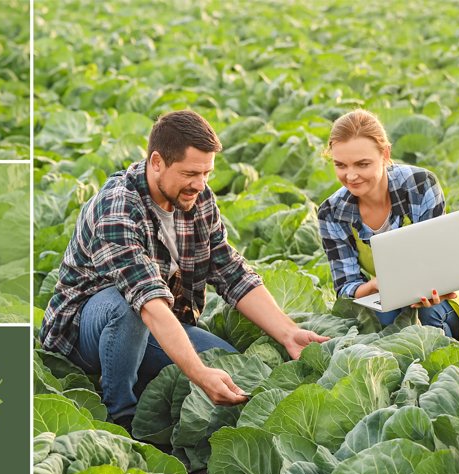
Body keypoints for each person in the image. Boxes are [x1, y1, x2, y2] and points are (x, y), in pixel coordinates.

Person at [40, 110, 330, 429]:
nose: (200, 184)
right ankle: (120, 414)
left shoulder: (196, 198)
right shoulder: (117, 209)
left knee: (233, 370)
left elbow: (229, 269)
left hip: (156, 323)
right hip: (86, 332)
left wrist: (288, 332)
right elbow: (148, 301)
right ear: (157, 163)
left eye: (206, 173)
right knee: (128, 306)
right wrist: (199, 374)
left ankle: (141, 377)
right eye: (190, 173)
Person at [317, 109, 459, 343]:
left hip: (455, 287)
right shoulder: (331, 212)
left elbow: (440, 266)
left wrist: (434, 287)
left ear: (385, 154)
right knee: (385, 316)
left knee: (429, 311)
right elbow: (345, 287)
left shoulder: (419, 184)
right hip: (390, 294)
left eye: (362, 164)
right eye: (340, 165)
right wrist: (376, 285)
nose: (351, 176)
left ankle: (453, 363)